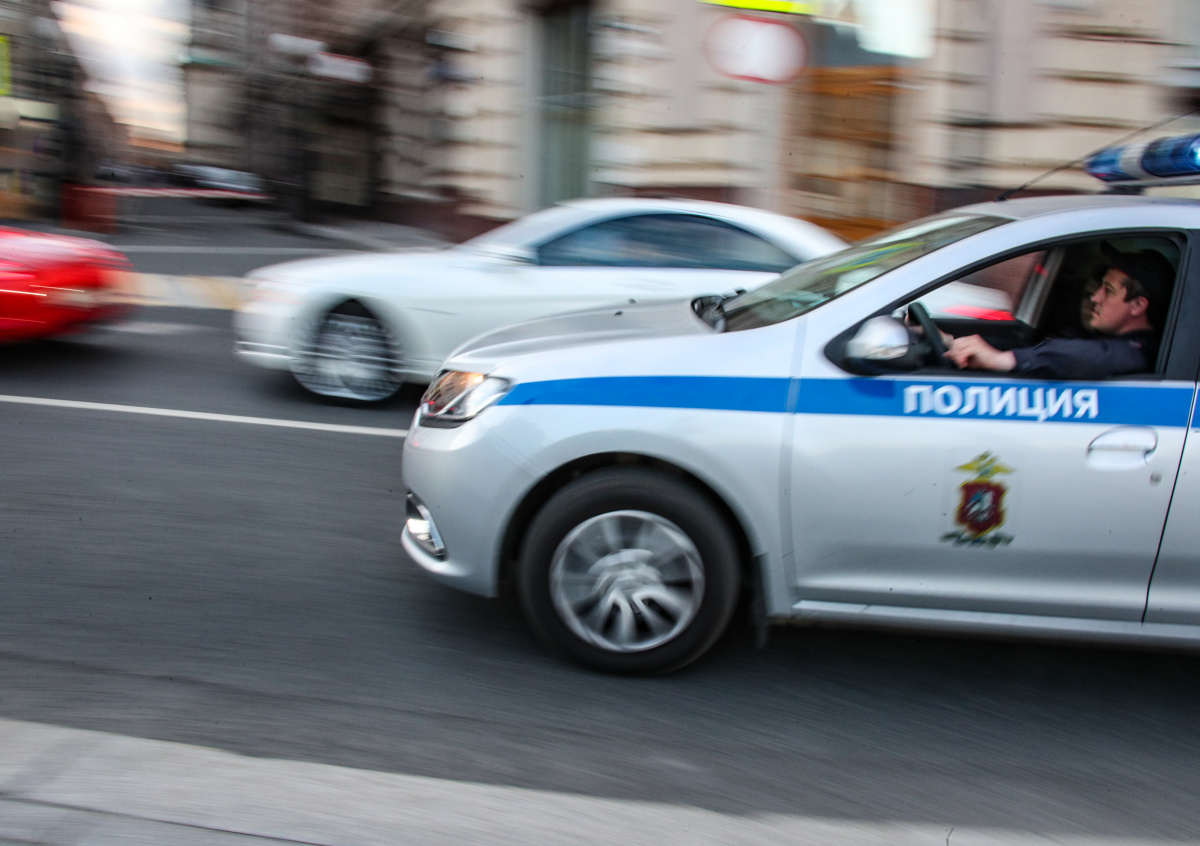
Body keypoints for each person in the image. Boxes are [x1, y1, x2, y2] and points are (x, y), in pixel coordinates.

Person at [944, 244, 1172, 381]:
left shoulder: (1139, 352)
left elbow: (1090, 356)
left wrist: (1003, 360)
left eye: (1109, 291)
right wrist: (950, 341)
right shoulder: (1101, 339)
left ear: (1137, 306)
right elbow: (1034, 345)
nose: (1095, 297)